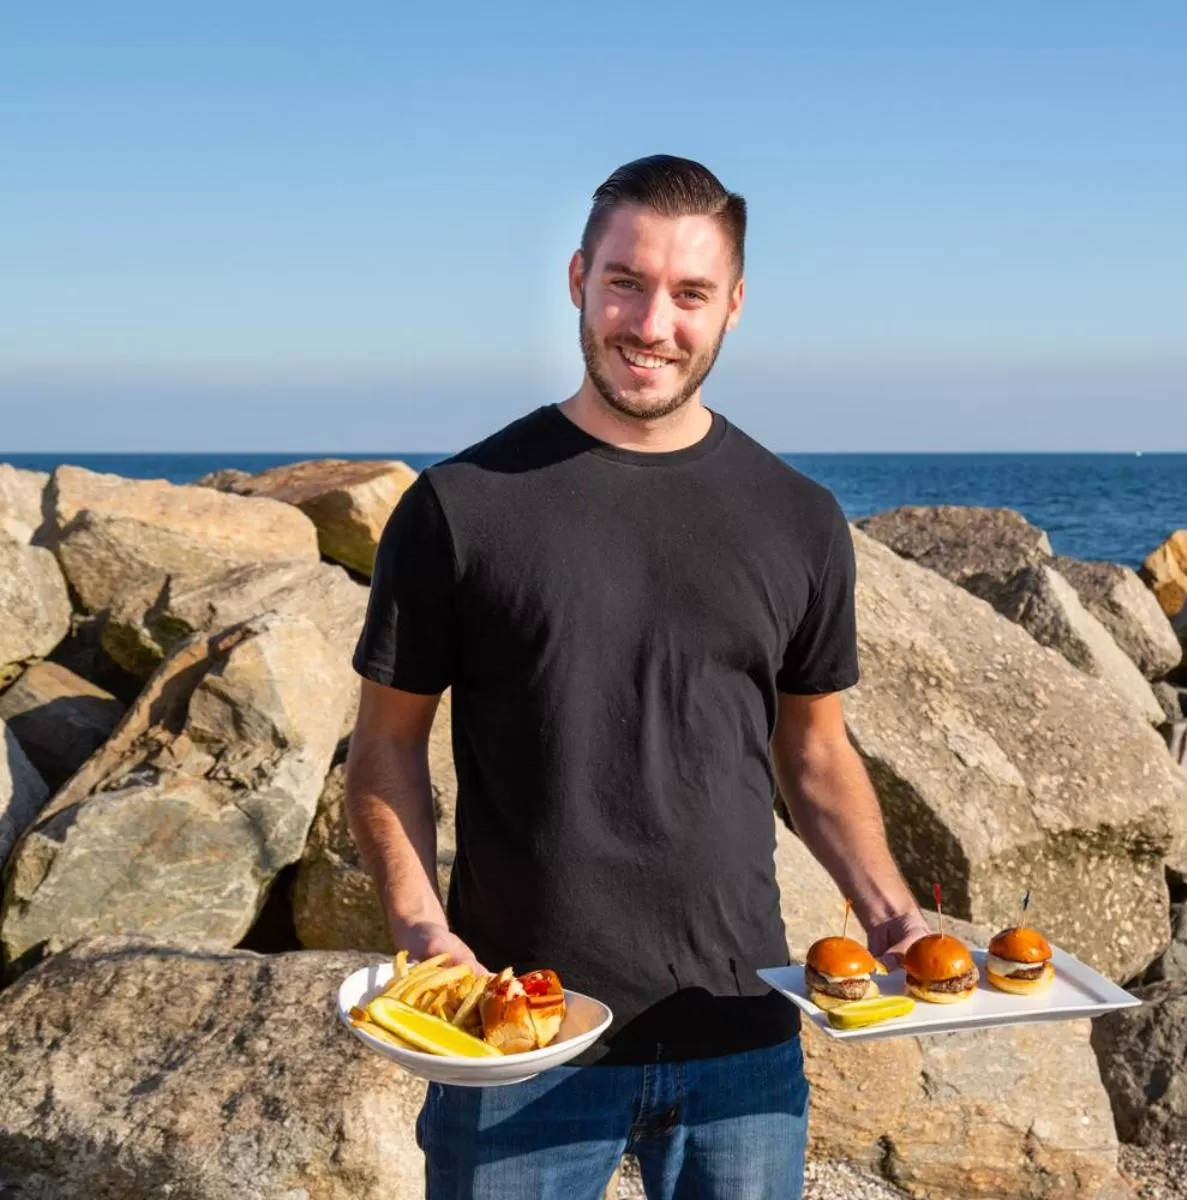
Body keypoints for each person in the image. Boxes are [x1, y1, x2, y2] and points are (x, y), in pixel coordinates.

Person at [345, 154, 931, 1200]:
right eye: (626, 283)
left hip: (741, 1032)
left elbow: (814, 750)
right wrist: (426, 938)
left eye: (689, 293)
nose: (652, 323)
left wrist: (892, 916)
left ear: (734, 307)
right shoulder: (459, 508)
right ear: (578, 279)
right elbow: (387, 744)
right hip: (518, 1035)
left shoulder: (799, 519)